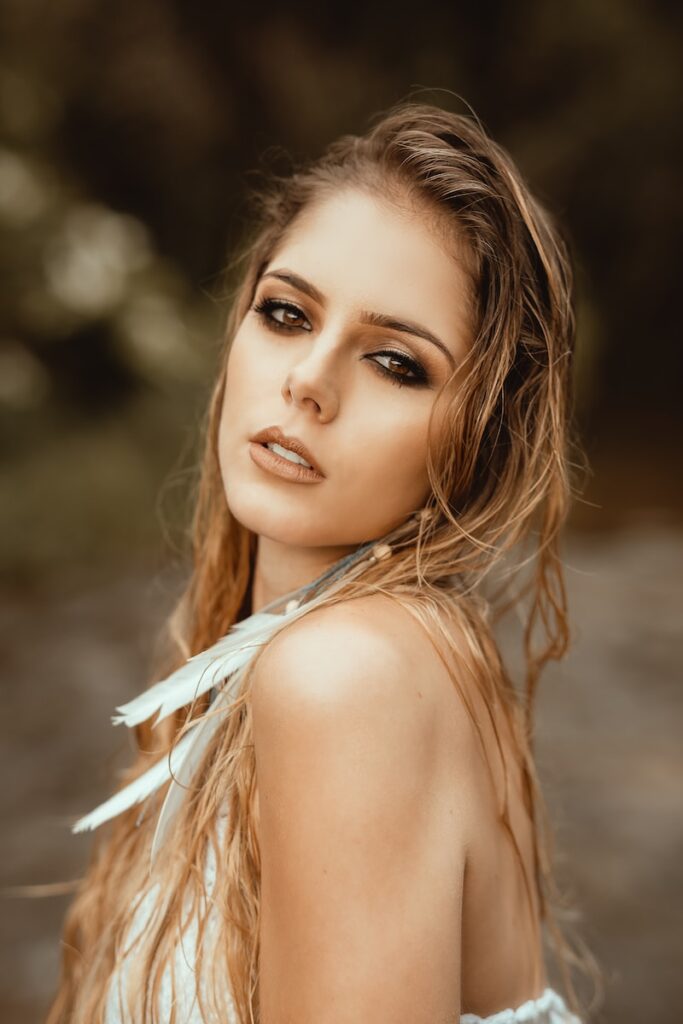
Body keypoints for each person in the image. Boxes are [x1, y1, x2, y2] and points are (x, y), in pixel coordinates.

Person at [47, 97, 597, 1024]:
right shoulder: (399, 651)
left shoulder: (350, 677)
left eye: (396, 364)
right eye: (287, 313)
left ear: (479, 444)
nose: (307, 378)